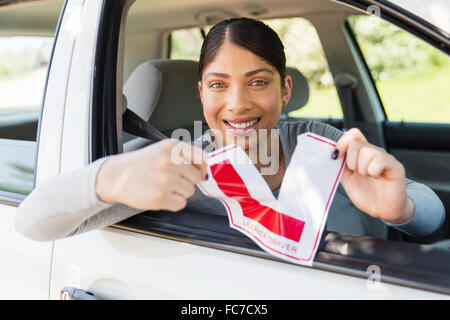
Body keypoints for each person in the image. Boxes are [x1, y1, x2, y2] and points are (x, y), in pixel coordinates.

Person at [15, 17, 445, 242]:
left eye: (258, 82)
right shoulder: (180, 166)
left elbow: (429, 217)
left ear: (285, 88)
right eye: (219, 85)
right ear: (202, 93)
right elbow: (32, 225)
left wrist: (401, 209)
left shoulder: (319, 142)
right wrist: (109, 177)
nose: (238, 104)